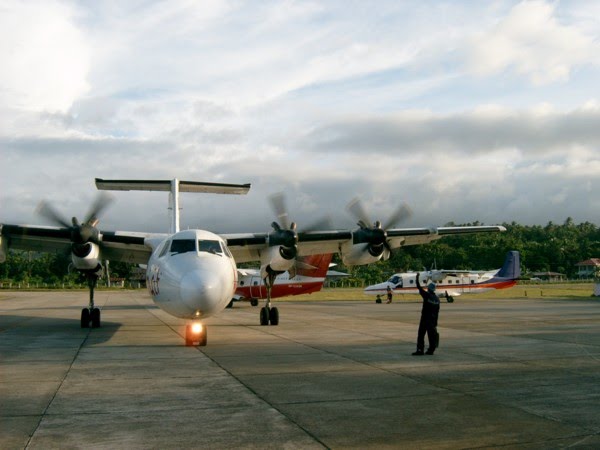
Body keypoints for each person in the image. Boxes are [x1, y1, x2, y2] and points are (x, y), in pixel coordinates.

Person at [412, 272, 440, 355]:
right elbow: (437, 312)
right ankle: (431, 350)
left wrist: (417, 277)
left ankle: (420, 350)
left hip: (425, 319)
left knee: (421, 334)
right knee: (432, 336)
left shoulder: (426, 295)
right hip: (432, 320)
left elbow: (418, 287)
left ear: (428, 289)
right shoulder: (437, 299)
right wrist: (435, 323)